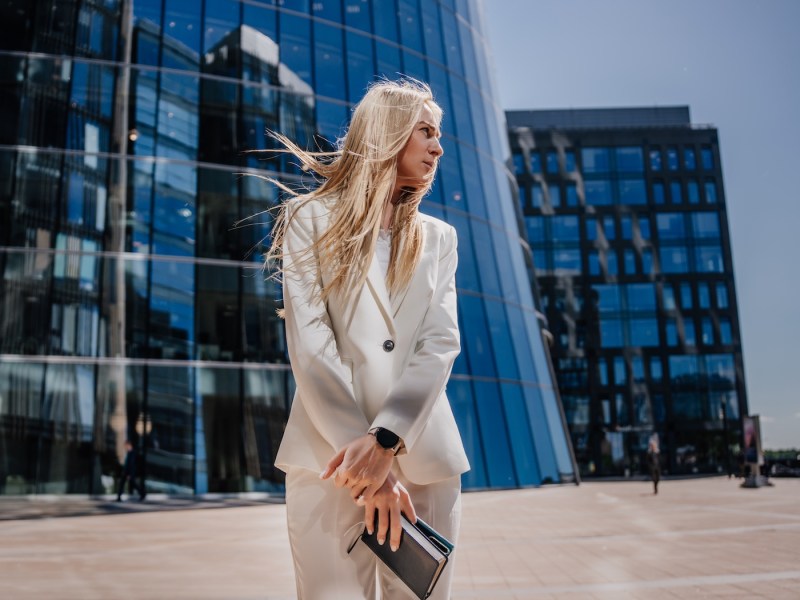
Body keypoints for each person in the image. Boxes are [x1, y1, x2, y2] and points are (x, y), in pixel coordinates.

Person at [267, 79, 470, 599]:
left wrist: (387, 440)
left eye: (438, 134)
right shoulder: (308, 219)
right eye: (425, 131)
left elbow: (440, 343)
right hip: (328, 461)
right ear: (388, 132)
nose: (438, 146)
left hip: (424, 462)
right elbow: (310, 345)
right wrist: (371, 468)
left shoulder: (439, 238)